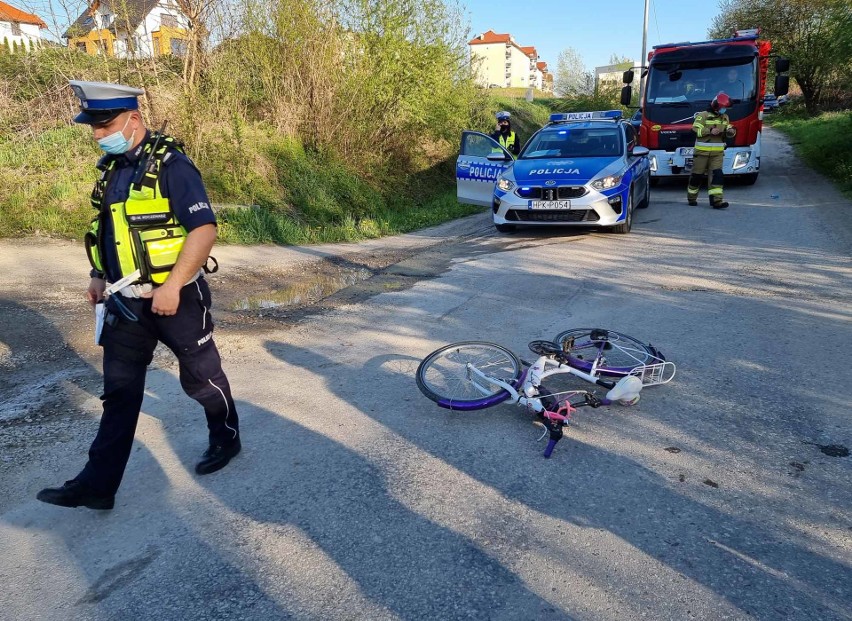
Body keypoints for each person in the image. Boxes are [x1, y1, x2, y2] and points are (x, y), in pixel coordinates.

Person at [36, 81, 241, 511]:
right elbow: (110, 231)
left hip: (177, 299)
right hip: (126, 302)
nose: (97, 133)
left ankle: (226, 438)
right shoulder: (112, 168)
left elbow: (204, 230)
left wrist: (170, 286)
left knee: (202, 379)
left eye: (105, 124)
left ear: (134, 119)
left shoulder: (174, 166)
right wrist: (97, 275)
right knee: (120, 393)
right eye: (93, 126)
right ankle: (98, 485)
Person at [687, 92, 737, 209]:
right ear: (716, 106)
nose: (724, 110)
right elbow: (695, 130)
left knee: (717, 176)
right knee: (696, 176)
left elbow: (729, 128)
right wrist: (709, 130)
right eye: (723, 108)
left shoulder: (725, 117)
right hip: (701, 153)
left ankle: (717, 201)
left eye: (725, 108)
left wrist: (731, 131)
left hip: (717, 153)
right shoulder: (703, 115)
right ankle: (691, 198)